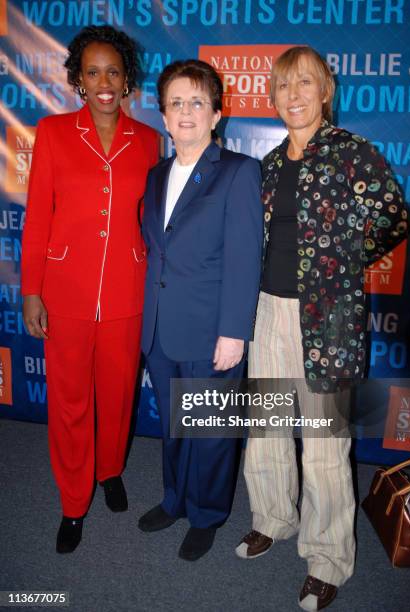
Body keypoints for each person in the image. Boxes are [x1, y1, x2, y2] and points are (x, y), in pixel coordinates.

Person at [235, 46, 409, 610]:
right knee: (266, 427)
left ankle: (328, 556)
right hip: (265, 311)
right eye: (284, 87)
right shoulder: (266, 164)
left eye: (304, 84)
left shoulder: (352, 154)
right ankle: (273, 518)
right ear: (273, 97)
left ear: (325, 90)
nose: (293, 96)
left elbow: (392, 215)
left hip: (326, 320)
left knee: (324, 440)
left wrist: (342, 259)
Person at [21, 25, 159, 554]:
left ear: (127, 81)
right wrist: (32, 290)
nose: (104, 82)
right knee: (71, 402)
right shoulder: (53, 132)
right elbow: (37, 220)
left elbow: (153, 223)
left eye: (114, 72)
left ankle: (109, 471)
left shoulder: (148, 141)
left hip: (128, 293)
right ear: (79, 79)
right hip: (66, 292)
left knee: (118, 395)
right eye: (93, 71)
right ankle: (73, 501)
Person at [138, 59, 263, 561]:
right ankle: (174, 500)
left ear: (216, 114)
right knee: (174, 425)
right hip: (160, 330)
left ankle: (207, 514)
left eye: (197, 102)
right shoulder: (154, 175)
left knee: (211, 433)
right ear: (164, 116)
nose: (185, 111)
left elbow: (243, 256)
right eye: (175, 103)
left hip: (213, 330)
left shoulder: (237, 172)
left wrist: (234, 332)